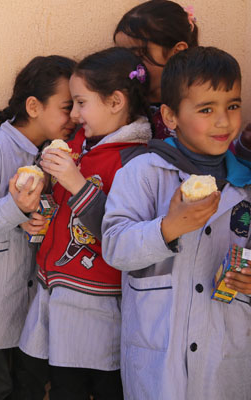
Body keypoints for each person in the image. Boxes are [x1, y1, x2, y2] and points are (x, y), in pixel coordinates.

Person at [102, 46, 251, 399]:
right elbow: (115, 246)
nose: (223, 121)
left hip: (225, 355)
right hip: (158, 358)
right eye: (206, 109)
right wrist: (167, 228)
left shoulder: (244, 186)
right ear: (170, 116)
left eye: (232, 105)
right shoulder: (143, 172)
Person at [18, 47, 151, 400]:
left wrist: (77, 183)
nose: (74, 114)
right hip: (55, 291)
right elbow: (59, 202)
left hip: (96, 303)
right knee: (51, 383)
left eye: (81, 103)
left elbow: (122, 235)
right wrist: (37, 211)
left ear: (116, 102)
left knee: (94, 386)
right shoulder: (81, 141)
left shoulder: (136, 161)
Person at [0, 55, 75, 400]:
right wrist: (16, 208)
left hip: (27, 299)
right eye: (67, 106)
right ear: (34, 106)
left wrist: (40, 217)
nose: (75, 116)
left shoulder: (48, 153)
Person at [114, 0, 198, 139]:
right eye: (121, 55)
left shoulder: (198, 104)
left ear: (177, 53)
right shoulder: (123, 103)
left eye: (138, 54)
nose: (127, 64)